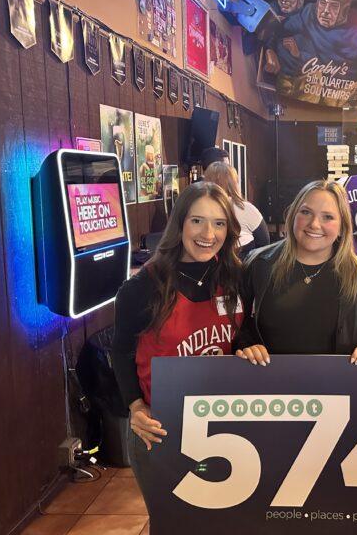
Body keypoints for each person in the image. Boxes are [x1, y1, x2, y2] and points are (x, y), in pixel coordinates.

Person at [111, 182, 243, 516]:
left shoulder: (238, 278)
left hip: (228, 425)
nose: (207, 233)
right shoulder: (142, 288)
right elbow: (122, 352)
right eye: (197, 221)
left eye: (219, 223)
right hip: (162, 428)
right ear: (180, 222)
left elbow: (243, 335)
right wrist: (136, 407)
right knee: (173, 521)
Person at [235, 179, 357, 366]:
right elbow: (239, 329)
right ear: (293, 216)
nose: (314, 224)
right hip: (272, 389)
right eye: (306, 212)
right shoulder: (258, 265)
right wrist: (246, 346)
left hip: (338, 390)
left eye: (328, 217)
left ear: (342, 226)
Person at [204, 161, 269, 257]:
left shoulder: (199, 208)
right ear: (234, 183)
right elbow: (264, 243)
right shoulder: (246, 208)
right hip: (244, 265)